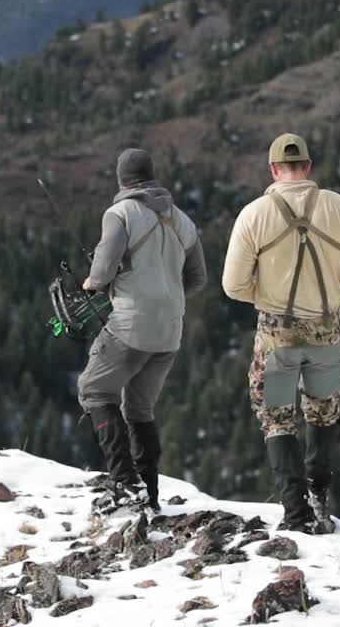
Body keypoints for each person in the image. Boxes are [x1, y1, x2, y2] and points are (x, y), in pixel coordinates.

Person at [221, 133, 340, 534]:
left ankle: (295, 515)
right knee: (323, 415)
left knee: (277, 418)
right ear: (308, 167)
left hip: (277, 340)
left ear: (273, 170)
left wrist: (269, 295)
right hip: (326, 335)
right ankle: (319, 499)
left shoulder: (254, 215)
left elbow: (233, 286)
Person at [77, 148, 207, 512]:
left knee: (93, 389)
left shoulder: (119, 214)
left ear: (121, 180)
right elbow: (198, 278)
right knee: (139, 407)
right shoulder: (182, 221)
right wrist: (167, 293)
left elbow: (102, 273)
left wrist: (92, 284)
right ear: (152, 177)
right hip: (170, 331)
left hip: (131, 323)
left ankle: (123, 482)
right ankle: (148, 495)